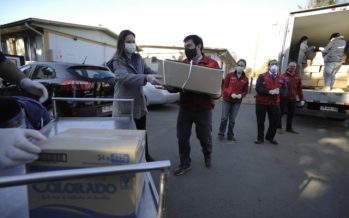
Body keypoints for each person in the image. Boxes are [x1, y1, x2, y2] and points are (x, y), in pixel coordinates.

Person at [108, 30, 161, 162]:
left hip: (139, 104)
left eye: (133, 41)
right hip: (125, 105)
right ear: (122, 43)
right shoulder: (118, 60)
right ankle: (126, 161)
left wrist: (164, 76)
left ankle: (146, 157)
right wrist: (146, 77)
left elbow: (149, 72)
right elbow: (124, 77)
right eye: (128, 42)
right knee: (125, 137)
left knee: (142, 133)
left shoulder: (138, 59)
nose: (132, 44)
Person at [173, 35, 220, 176]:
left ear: (199, 46)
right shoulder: (184, 63)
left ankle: (207, 153)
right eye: (185, 46)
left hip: (203, 109)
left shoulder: (212, 64)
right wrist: (170, 85)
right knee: (182, 138)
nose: (186, 49)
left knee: (204, 138)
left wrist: (216, 93)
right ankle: (185, 163)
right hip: (185, 107)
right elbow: (178, 85)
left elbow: (217, 86)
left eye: (189, 46)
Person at [254, 59, 287, 145]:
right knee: (260, 121)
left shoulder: (282, 78)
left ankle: (270, 137)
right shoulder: (262, 76)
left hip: (274, 103)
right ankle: (260, 138)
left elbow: (285, 89)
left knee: (275, 121)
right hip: (261, 102)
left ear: (278, 66)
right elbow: (258, 88)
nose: (274, 65)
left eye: (276, 64)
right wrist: (269, 91)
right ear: (269, 66)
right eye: (272, 64)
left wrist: (279, 91)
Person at [218, 59, 249, 141]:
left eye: (242, 65)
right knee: (224, 117)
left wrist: (241, 95)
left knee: (232, 119)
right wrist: (230, 93)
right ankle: (221, 133)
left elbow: (245, 91)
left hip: (237, 102)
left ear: (244, 67)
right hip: (227, 99)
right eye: (238, 65)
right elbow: (224, 87)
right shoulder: (229, 75)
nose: (240, 67)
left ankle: (230, 135)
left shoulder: (245, 78)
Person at [277, 62, 304, 134]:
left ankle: (289, 128)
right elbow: (279, 88)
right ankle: (279, 127)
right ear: (288, 67)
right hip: (283, 98)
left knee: (291, 113)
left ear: (295, 67)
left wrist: (301, 99)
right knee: (281, 113)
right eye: (291, 66)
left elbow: (299, 89)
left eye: (294, 66)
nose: (292, 68)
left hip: (293, 98)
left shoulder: (298, 77)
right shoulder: (283, 76)